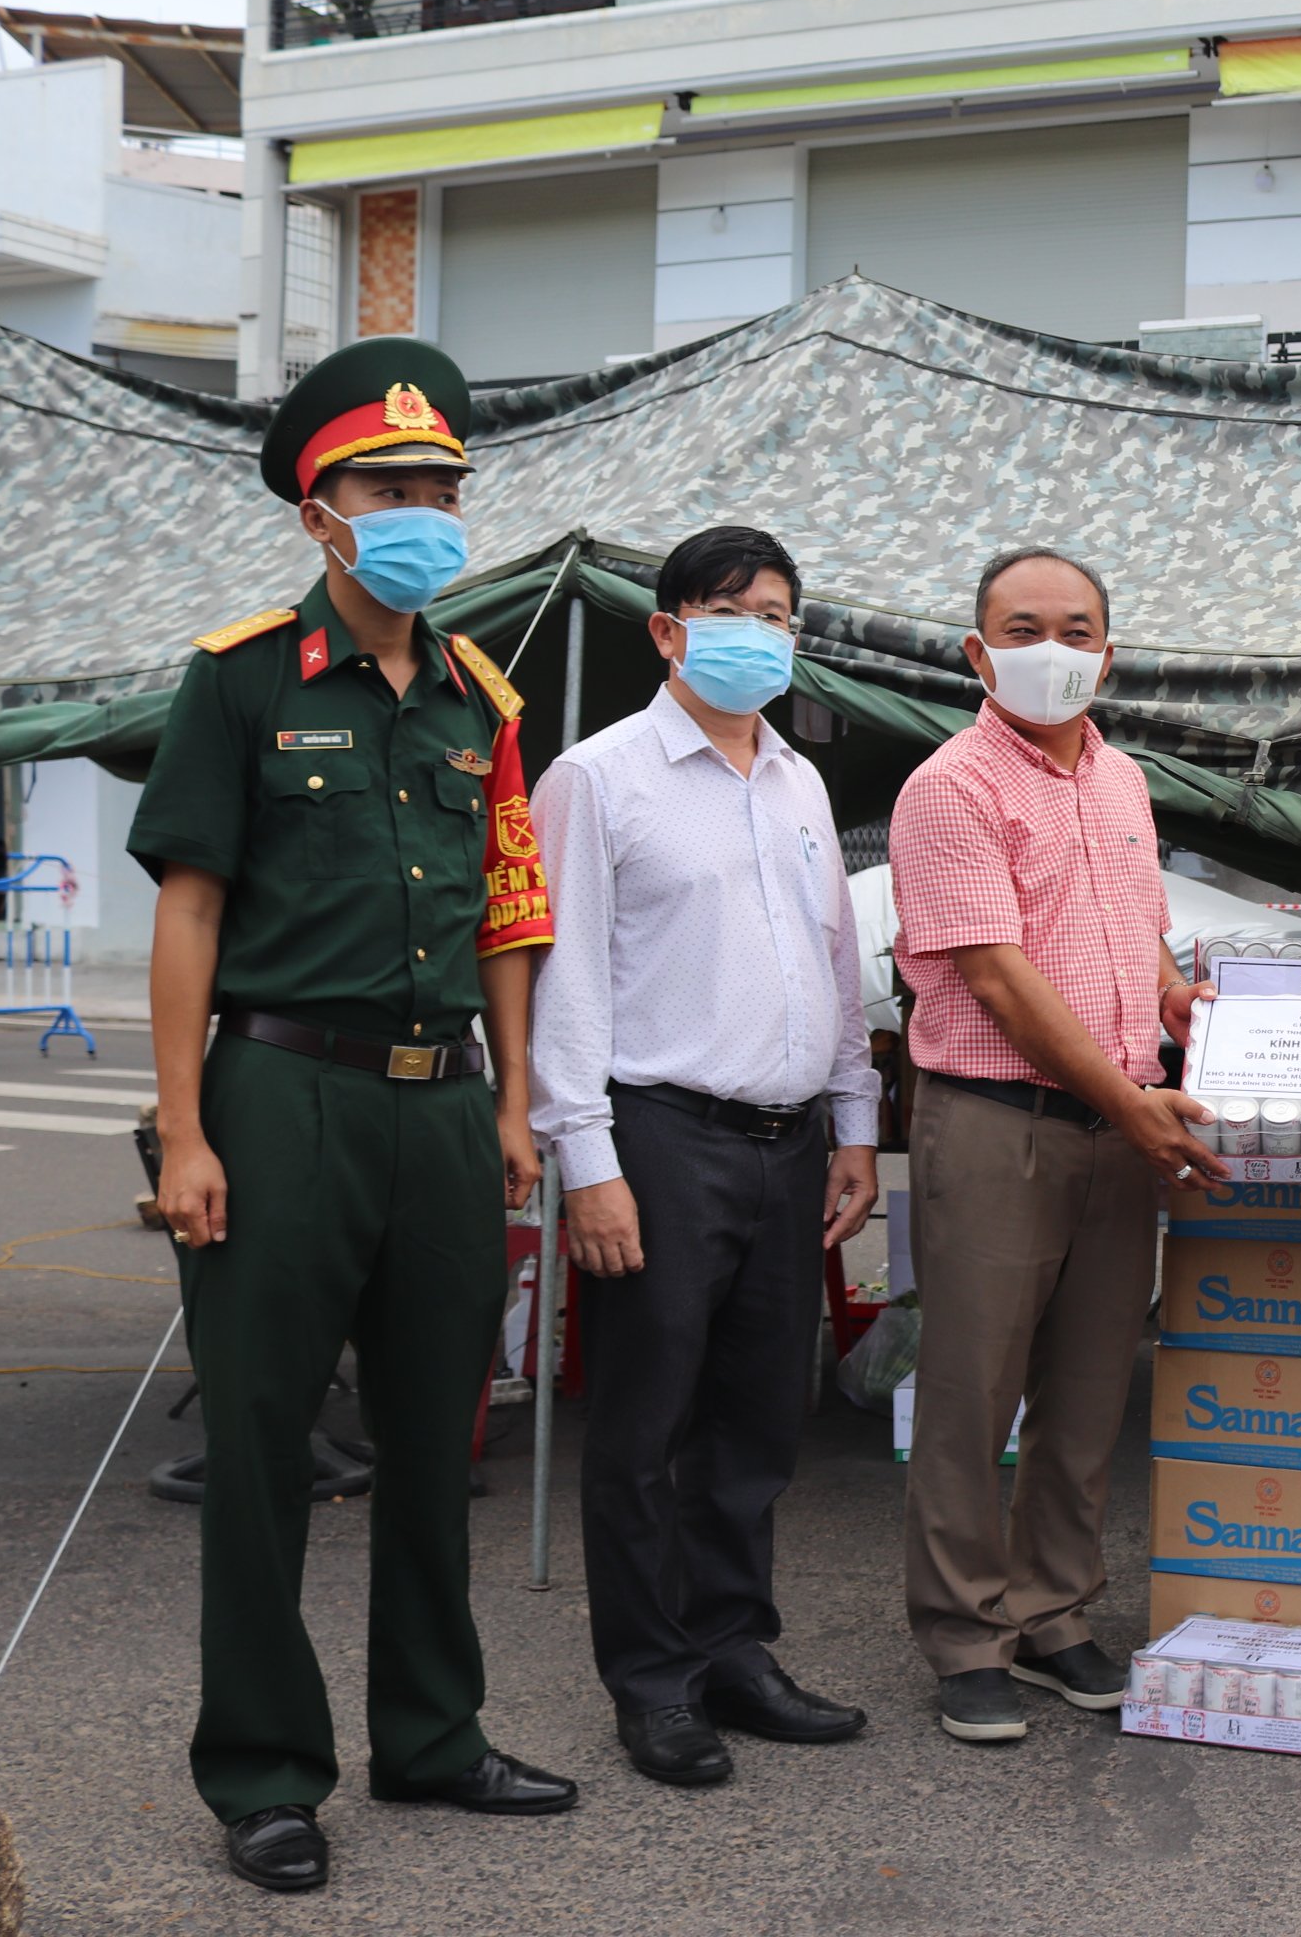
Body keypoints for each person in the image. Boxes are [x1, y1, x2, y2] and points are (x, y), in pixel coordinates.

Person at [130, 337, 578, 1894]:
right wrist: (185, 1130)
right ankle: (264, 1771)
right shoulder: (243, 676)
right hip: (281, 1091)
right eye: (392, 488)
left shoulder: (480, 697)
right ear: (321, 511)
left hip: (442, 1105)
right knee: (262, 1438)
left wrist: (517, 1102)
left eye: (443, 488)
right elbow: (190, 913)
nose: (425, 514)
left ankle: (434, 1734)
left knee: (433, 1435)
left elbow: (509, 918)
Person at [529, 526, 882, 1787]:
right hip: (660, 1133)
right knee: (642, 1424)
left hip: (789, 1141)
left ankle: (735, 1647)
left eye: (780, 613)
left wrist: (853, 1120)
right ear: (669, 629)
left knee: (755, 1418)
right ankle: (653, 1679)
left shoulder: (797, 779)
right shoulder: (597, 774)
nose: (760, 632)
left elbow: (834, 963)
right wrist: (587, 1156)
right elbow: (559, 978)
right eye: (733, 609)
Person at [888, 547, 1222, 1745]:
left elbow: (1140, 940)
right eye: (1023, 628)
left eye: (1077, 629)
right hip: (998, 1123)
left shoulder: (1123, 781)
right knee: (975, 1390)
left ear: (1109, 653)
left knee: (1085, 1392)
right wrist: (1135, 1099)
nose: (1053, 649)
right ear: (978, 653)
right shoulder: (952, 786)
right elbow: (999, 978)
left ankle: (1052, 1610)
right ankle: (965, 1630)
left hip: (1120, 1129)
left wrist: (1181, 1007)